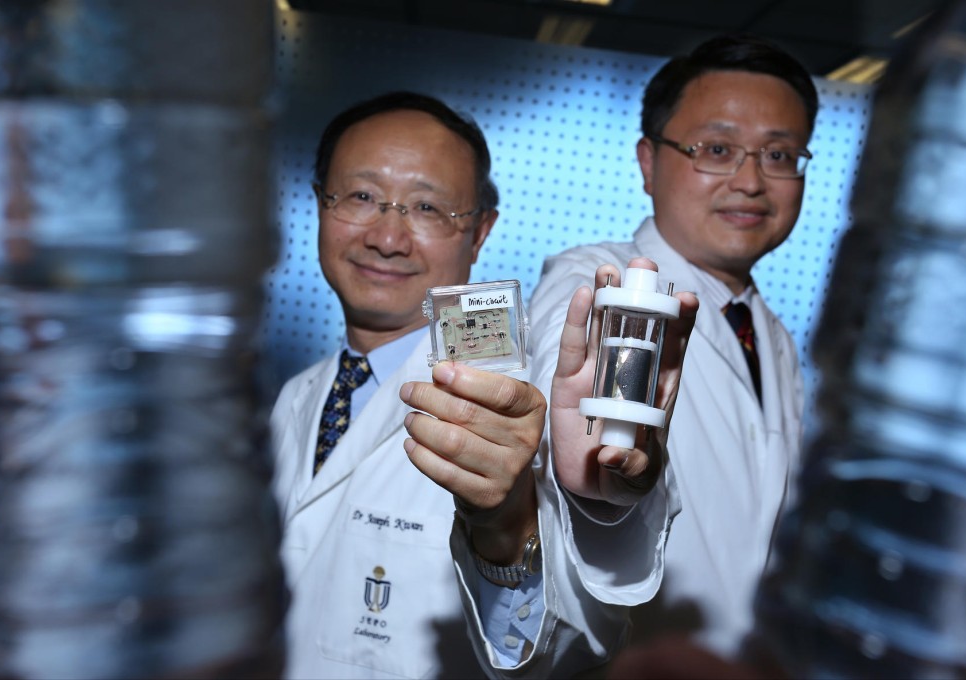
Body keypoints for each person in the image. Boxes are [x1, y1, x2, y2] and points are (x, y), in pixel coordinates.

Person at [268, 91, 698, 679]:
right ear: (320, 204)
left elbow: (576, 644)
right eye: (362, 196)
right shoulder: (298, 397)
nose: (388, 238)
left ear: (479, 232)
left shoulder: (519, 406)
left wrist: (504, 525)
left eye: (428, 209)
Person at [528, 33, 818, 661]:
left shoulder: (768, 333)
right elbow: (568, 383)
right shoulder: (594, 285)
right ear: (648, 162)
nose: (750, 181)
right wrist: (596, 481)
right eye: (717, 149)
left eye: (780, 155)